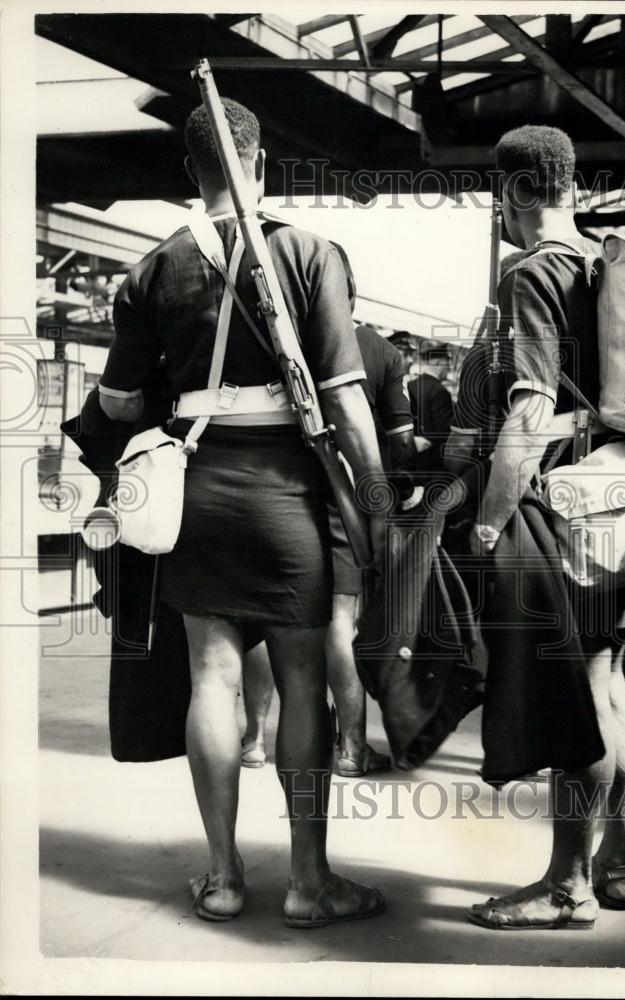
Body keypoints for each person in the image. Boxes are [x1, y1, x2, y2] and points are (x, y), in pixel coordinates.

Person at [98, 97, 386, 927]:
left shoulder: (155, 266)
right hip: (288, 496)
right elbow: (347, 405)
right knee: (303, 686)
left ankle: (222, 879)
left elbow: (118, 403)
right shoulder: (307, 252)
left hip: (198, 495)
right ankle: (309, 883)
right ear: (260, 161)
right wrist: (377, 513)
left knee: (213, 681)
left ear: (191, 170)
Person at [456, 125, 625, 929]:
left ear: (517, 191)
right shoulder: (604, 267)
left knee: (578, 694)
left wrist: (490, 523)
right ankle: (619, 862)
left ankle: (566, 885)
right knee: (609, 680)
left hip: (569, 505)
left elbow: (528, 412)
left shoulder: (531, 273)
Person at [241, 244, 419, 778]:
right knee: (342, 618)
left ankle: (253, 739)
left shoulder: (271, 339)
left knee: (263, 617)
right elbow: (401, 443)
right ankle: (351, 748)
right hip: (346, 495)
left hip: (273, 490)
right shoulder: (382, 352)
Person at [408, 341, 454, 476]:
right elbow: (445, 433)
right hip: (431, 464)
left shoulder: (410, 386)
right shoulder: (440, 391)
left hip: (409, 459)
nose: (449, 367)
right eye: (447, 363)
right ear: (439, 363)